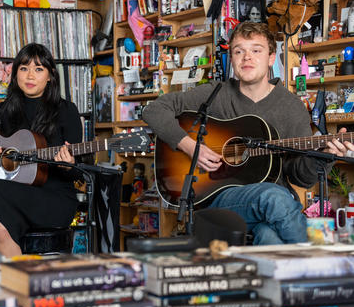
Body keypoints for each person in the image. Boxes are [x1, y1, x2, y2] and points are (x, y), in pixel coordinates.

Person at [142, 22, 354, 245]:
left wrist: (324, 155)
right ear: (232, 59)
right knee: (273, 197)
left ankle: (299, 276)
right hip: (219, 199)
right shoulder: (215, 94)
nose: (247, 58)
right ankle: (322, 265)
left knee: (269, 235)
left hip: (273, 207)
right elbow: (153, 109)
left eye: (256, 50)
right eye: (239, 51)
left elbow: (301, 177)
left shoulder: (291, 107)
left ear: (272, 57)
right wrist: (188, 145)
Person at [0, 43, 82, 256]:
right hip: (11, 194)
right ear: (16, 73)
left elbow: (80, 172)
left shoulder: (66, 111)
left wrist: (69, 166)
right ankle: (22, 283)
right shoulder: (3, 111)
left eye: (38, 69)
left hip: (54, 199)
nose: (30, 76)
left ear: (50, 76)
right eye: (24, 68)